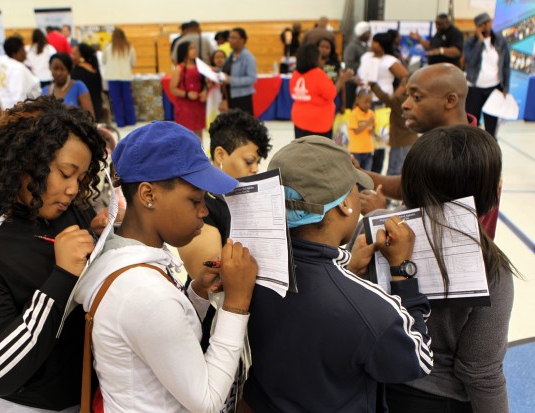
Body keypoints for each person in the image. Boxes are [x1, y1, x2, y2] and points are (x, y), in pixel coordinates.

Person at [0, 95, 108, 412]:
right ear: (27, 161)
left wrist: (99, 239)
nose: (72, 189)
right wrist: (61, 278)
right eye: (65, 174)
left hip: (82, 394)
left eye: (80, 178)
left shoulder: (67, 209)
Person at [73, 121, 258, 412]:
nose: (204, 211)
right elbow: (207, 401)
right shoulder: (145, 293)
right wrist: (236, 304)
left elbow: (162, 337)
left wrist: (196, 293)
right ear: (148, 195)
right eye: (195, 199)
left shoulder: (124, 255)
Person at [241, 135, 433, 413]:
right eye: (355, 188)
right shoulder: (372, 311)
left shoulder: (250, 270)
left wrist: (346, 270)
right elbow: (419, 358)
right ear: (345, 205)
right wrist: (402, 271)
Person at [376, 126, 514, 413]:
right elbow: (481, 371)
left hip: (370, 386)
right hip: (439, 399)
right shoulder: (491, 268)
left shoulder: (376, 230)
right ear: (488, 193)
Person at [177, 109, 271, 412]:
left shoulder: (236, 201)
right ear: (220, 153)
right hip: (212, 336)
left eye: (258, 162)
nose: (255, 169)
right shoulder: (205, 202)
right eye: (249, 160)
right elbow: (208, 269)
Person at [361, 63, 501, 240]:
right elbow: (412, 185)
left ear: (450, 101)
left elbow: (437, 239)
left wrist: (380, 215)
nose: (405, 104)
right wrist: (358, 174)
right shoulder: (443, 145)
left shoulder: (465, 156)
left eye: (417, 97)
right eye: (407, 95)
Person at [464, 12, 510, 138]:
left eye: (487, 22)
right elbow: (470, 61)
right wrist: (480, 42)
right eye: (482, 24)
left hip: (494, 88)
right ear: (477, 27)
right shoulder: (470, 42)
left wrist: (506, 87)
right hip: (474, 88)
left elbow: (506, 65)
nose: (486, 26)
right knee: (472, 125)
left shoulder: (500, 41)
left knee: (491, 127)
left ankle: (491, 154)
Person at [369, 77, 417, 176]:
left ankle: (388, 192)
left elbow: (384, 98)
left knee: (393, 171)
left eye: (401, 85)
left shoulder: (400, 101)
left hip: (399, 142)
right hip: (412, 141)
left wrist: (373, 85)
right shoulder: (417, 101)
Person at [290, 44, 340, 139]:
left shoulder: (296, 74)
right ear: (313, 59)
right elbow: (331, 94)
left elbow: (293, 93)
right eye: (320, 57)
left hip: (299, 119)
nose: (323, 60)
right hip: (318, 123)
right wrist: (341, 81)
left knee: (302, 150)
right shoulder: (318, 74)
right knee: (319, 152)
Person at [0, 36, 41, 110]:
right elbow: (19, 98)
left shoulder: (3, 61)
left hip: (4, 104)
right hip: (19, 109)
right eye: (23, 50)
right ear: (15, 53)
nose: (25, 53)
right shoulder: (18, 69)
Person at [169, 41, 207, 140]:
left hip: (198, 104)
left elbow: (207, 82)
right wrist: (186, 94)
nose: (194, 51)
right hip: (185, 106)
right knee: (185, 132)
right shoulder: (179, 68)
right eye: (191, 49)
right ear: (184, 51)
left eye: (194, 48)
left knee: (199, 131)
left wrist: (205, 91)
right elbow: (172, 88)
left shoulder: (200, 66)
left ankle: (199, 152)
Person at [43, 52, 94, 118]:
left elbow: (90, 116)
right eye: (55, 69)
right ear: (50, 68)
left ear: (69, 70)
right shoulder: (45, 91)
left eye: (62, 69)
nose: (58, 73)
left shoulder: (79, 86)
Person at [103, 28, 136, 127]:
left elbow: (104, 61)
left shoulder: (108, 48)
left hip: (112, 77)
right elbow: (133, 63)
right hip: (125, 77)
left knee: (116, 100)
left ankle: (120, 122)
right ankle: (131, 120)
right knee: (127, 99)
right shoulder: (130, 48)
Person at [222, 28, 257, 116]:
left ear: (242, 40)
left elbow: (252, 78)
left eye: (234, 38)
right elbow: (227, 71)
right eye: (229, 38)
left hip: (242, 97)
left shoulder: (248, 57)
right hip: (230, 95)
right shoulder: (231, 55)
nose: (230, 40)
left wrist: (232, 80)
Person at [71, 43, 104, 122]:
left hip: (85, 108)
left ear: (81, 55)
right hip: (97, 104)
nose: (72, 56)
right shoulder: (94, 68)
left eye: (74, 54)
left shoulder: (78, 70)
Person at [317, 36, 348, 113]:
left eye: (327, 48)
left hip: (333, 94)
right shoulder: (314, 62)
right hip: (318, 97)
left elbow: (342, 83)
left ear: (331, 50)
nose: (324, 50)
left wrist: (343, 104)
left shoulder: (336, 63)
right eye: (322, 47)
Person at [344, 21, 371, 108]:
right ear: (362, 33)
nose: (370, 35)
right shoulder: (352, 47)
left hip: (362, 81)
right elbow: (349, 63)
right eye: (368, 33)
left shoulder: (365, 46)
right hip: (353, 82)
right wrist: (363, 66)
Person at [348, 89, 375, 170]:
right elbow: (356, 131)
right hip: (356, 151)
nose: (368, 105)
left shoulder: (371, 113)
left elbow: (373, 130)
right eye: (366, 102)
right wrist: (368, 123)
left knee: (367, 175)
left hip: (368, 149)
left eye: (370, 102)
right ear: (357, 100)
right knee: (357, 174)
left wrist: (372, 131)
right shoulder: (354, 114)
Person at [206, 49, 227, 126]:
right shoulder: (209, 72)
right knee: (213, 117)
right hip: (213, 97)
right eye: (217, 57)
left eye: (221, 57)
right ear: (213, 60)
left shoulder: (228, 71)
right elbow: (207, 86)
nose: (219, 59)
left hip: (224, 97)